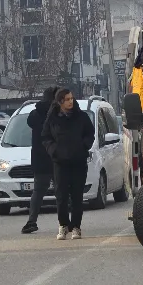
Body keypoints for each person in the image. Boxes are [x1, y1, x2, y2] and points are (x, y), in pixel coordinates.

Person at [41, 88, 95, 240]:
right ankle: (63, 225)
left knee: (77, 196)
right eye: (67, 99)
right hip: (60, 163)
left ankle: (76, 227)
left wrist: (83, 146)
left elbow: (90, 134)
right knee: (61, 196)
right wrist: (53, 150)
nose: (70, 101)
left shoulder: (81, 117)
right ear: (60, 102)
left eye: (71, 98)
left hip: (78, 162)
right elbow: (45, 137)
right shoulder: (52, 118)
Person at [22, 86, 58, 235]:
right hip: (57, 157)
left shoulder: (34, 114)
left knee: (38, 192)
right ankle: (66, 222)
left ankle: (31, 221)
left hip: (40, 159)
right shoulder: (57, 114)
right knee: (61, 191)